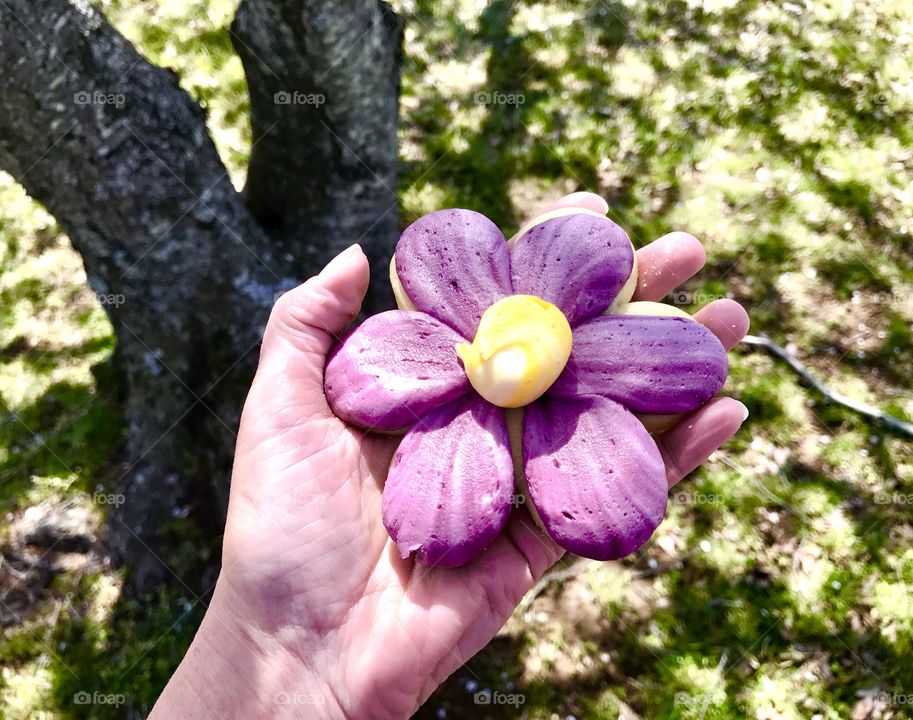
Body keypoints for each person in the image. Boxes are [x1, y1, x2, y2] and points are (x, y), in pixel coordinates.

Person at [149, 193, 749, 719]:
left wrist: (297, 665)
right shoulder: (410, 333)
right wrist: (296, 657)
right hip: (455, 418)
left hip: (584, 413)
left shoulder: (628, 352)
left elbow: (618, 500)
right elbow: (362, 373)